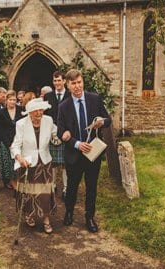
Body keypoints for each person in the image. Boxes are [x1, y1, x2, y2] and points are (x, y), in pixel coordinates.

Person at [57, 69, 111, 233]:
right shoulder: (63, 106)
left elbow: (108, 119)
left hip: (93, 153)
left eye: (79, 82)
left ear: (83, 82)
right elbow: (61, 131)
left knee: (91, 187)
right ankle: (69, 212)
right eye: (73, 83)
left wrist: (102, 121)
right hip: (74, 153)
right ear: (68, 85)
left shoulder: (94, 99)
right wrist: (76, 143)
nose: (77, 86)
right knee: (72, 186)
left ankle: (89, 217)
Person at [10, 98, 59, 234]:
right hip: (27, 162)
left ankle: (46, 220)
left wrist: (62, 137)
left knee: (45, 192)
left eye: (41, 110)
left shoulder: (48, 120)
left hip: (44, 162)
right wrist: (19, 157)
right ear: (29, 112)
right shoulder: (21, 124)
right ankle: (29, 214)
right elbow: (16, 144)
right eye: (35, 111)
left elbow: (56, 136)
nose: (39, 113)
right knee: (29, 192)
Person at [44, 71, 71, 196]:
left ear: (64, 81)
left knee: (65, 162)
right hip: (51, 132)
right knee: (53, 162)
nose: (57, 83)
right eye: (55, 81)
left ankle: (66, 188)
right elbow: (45, 115)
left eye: (59, 80)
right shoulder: (48, 96)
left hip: (67, 132)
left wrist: (68, 130)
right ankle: (53, 185)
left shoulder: (70, 95)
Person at [0, 90, 24, 190]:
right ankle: (11, 181)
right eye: (10, 100)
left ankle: (18, 180)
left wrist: (18, 141)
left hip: (19, 140)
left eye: (14, 100)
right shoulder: (1, 112)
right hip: (6, 141)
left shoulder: (21, 109)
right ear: (6, 100)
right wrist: (8, 143)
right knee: (8, 162)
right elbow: (0, 129)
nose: (12, 102)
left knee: (18, 162)